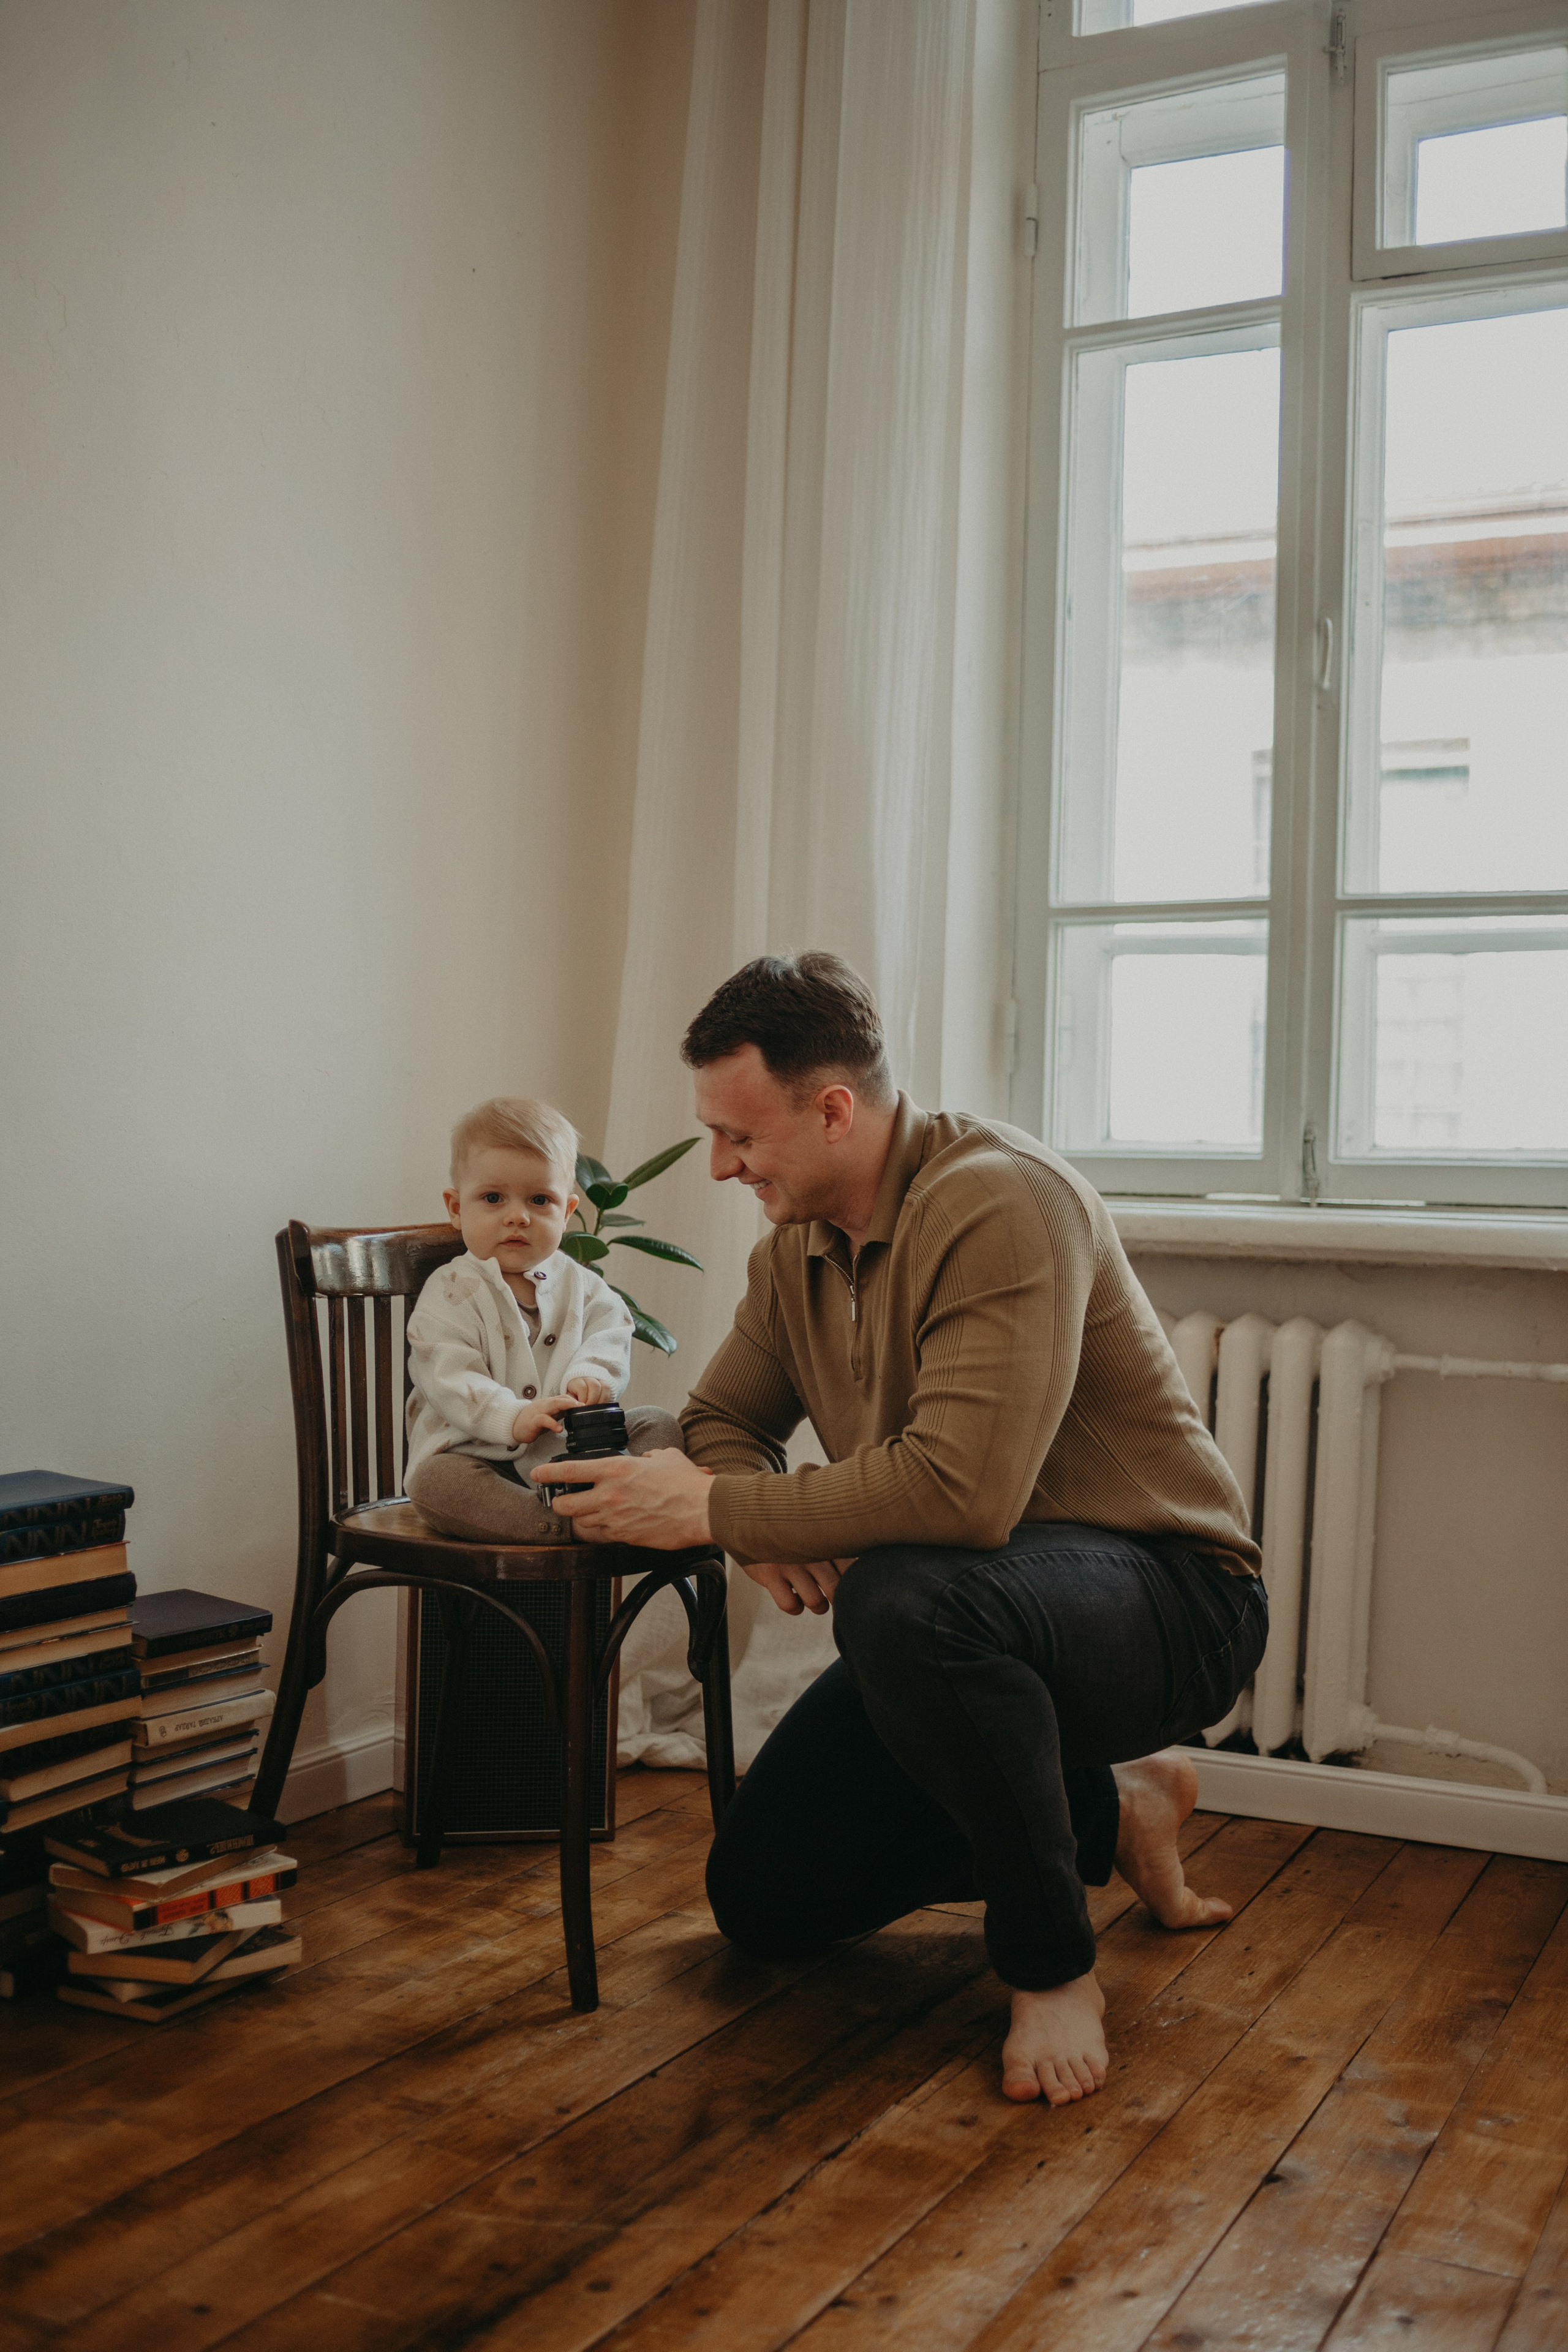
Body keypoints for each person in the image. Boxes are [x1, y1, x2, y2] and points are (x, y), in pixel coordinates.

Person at [532, 959, 1268, 2106]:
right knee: (763, 1901)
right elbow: (724, 1418)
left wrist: (715, 1509)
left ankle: (1052, 1964)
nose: (721, 1166)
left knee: (904, 1597)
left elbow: (962, 1494)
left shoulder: (1002, 1202)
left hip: (1172, 1599)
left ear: (835, 1109)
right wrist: (760, 1522)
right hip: (974, 1610)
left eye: (739, 1136)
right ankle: (1109, 1805)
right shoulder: (795, 1250)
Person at [405, 1096, 681, 1544]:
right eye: (493, 1198)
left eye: (539, 1200)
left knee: (657, 1423)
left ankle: (623, 1500)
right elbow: (448, 1375)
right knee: (436, 1484)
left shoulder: (582, 1284)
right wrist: (512, 1416)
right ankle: (570, 1524)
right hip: (476, 1456)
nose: (518, 1216)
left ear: (567, 1212)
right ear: (456, 1208)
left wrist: (592, 1375)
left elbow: (610, 1330)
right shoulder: (451, 1291)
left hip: (567, 1450)